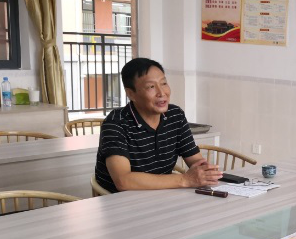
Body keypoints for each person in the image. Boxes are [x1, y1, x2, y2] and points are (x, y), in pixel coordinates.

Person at [94, 58, 222, 193]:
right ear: (131, 94)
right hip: (120, 201)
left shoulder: (175, 115)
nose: (162, 93)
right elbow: (123, 181)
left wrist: (204, 171)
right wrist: (185, 179)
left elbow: (195, 160)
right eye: (151, 87)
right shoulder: (115, 123)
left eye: (164, 83)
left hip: (161, 194)